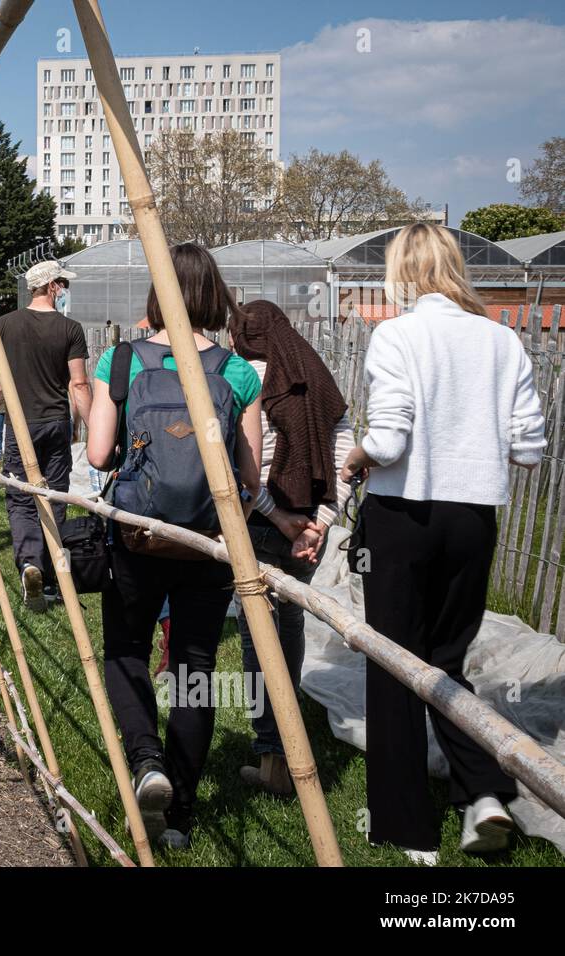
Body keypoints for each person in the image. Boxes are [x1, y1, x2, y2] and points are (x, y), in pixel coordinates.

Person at [341, 223, 546, 864]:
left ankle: (406, 827)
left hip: (405, 516)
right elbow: (531, 449)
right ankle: (483, 791)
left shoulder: (397, 335)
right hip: (472, 519)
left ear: (403, 271)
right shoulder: (501, 340)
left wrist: (357, 455)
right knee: (448, 659)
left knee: (395, 664)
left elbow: (391, 437)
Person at [86, 242, 263, 849]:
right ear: (214, 295)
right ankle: (182, 814)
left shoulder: (122, 359)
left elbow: (98, 455)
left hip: (139, 537)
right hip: (209, 543)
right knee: (196, 666)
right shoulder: (237, 373)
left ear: (157, 297)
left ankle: (146, 761)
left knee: (127, 651)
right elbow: (252, 476)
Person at [228, 299, 356, 795]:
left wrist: (277, 517)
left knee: (255, 630)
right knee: (292, 621)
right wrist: (319, 523)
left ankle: (273, 755)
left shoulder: (241, 379)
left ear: (241, 336)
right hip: (309, 524)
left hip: (263, 521)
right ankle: (290, 741)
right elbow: (345, 455)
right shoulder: (315, 376)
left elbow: (238, 466)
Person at [0, 260, 91, 611]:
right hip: (55, 422)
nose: (65, 290)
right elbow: (78, 382)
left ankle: (30, 563)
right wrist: (94, 429)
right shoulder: (71, 329)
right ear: (51, 286)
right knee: (55, 495)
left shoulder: (4, 325)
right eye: (63, 283)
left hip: (20, 424)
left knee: (20, 496)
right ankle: (52, 576)